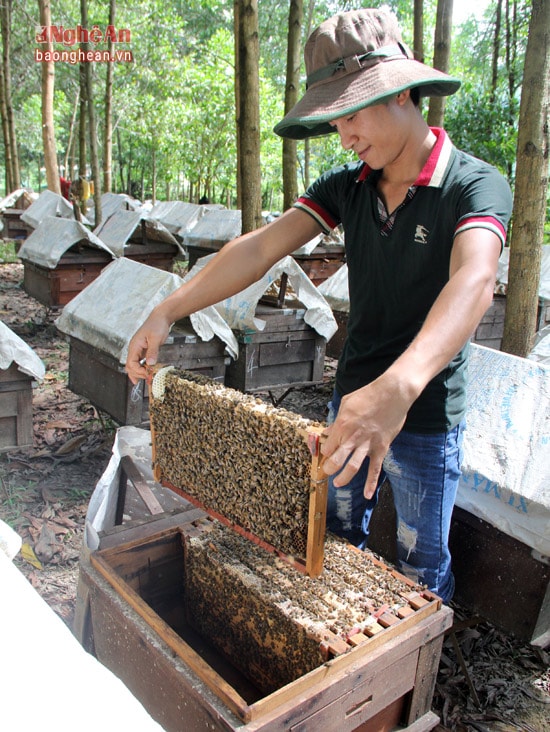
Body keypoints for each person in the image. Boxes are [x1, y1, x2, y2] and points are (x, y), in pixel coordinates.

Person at [126, 8, 513, 602]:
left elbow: (476, 279)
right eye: (336, 122)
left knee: (422, 559)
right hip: (350, 397)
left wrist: (399, 389)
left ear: (403, 93)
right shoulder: (348, 186)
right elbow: (258, 249)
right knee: (331, 537)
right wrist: (167, 309)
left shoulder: (473, 184)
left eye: (353, 113)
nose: (347, 136)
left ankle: (419, 668)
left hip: (426, 411)